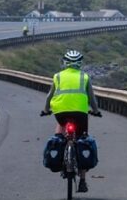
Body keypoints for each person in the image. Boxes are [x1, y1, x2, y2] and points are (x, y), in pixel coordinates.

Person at [41, 49, 102, 192]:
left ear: (65, 63)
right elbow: (92, 98)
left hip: (60, 112)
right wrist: (96, 111)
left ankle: (60, 146)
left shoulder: (58, 76)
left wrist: (45, 110)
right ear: (80, 63)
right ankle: (83, 180)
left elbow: (49, 96)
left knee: (60, 131)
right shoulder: (84, 77)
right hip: (81, 113)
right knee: (82, 139)